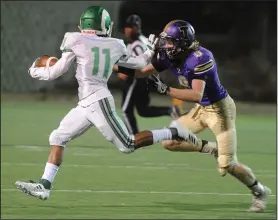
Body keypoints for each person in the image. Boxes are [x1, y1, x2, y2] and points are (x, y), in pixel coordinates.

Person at [14, 7, 199, 201]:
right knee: (58, 137)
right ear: (104, 26)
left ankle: (175, 132)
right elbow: (138, 64)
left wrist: (35, 70)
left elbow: (54, 72)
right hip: (86, 102)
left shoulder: (74, 39)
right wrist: (151, 50)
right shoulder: (115, 44)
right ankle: (44, 186)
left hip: (97, 100)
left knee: (127, 144)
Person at [141, 20, 271, 212]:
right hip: (200, 110)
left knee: (227, 165)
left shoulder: (200, 58)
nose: (166, 46)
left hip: (220, 111)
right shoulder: (172, 54)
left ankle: (259, 190)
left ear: (182, 43)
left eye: (170, 42)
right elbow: (141, 71)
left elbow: (196, 94)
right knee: (169, 141)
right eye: (166, 41)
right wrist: (122, 62)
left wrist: (164, 89)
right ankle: (211, 148)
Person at [118, 14, 181, 135]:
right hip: (146, 79)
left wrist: (123, 71)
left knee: (126, 110)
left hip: (137, 80)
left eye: (128, 27)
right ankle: (170, 110)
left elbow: (140, 64)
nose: (126, 30)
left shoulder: (136, 44)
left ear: (134, 28)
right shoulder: (143, 40)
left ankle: (135, 138)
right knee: (143, 110)